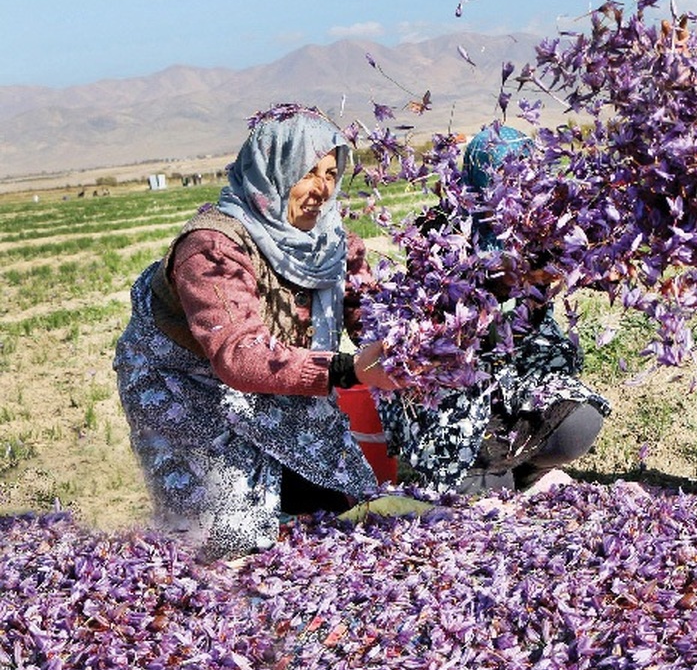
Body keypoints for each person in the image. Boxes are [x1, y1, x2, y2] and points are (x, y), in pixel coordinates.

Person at [113, 104, 401, 560]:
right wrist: (349, 369)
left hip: (278, 374)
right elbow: (239, 357)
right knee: (227, 537)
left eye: (331, 172)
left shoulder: (333, 244)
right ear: (272, 170)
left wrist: (413, 344)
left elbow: (366, 312)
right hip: (184, 385)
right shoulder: (211, 248)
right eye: (307, 172)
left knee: (325, 505)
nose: (321, 190)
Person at [378, 125, 610, 495]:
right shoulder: (438, 232)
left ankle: (525, 467)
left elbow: (530, 333)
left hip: (513, 377)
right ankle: (476, 467)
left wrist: (540, 288)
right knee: (478, 489)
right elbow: (443, 328)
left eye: (525, 174)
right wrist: (498, 282)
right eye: (505, 174)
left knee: (578, 424)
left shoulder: (538, 231)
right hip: (455, 386)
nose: (515, 187)